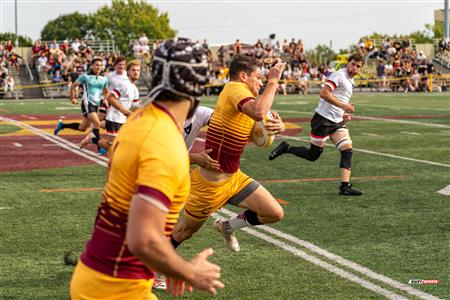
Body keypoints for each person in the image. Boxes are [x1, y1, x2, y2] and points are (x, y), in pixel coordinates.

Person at [70, 38, 224, 299]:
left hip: (100, 276)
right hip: (117, 288)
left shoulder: (139, 120)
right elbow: (143, 239)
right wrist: (189, 272)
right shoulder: (163, 141)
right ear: (197, 86)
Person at [169, 55, 286, 254]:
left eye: (263, 78)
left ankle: (227, 226)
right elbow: (259, 112)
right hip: (209, 186)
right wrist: (274, 80)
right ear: (243, 76)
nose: (261, 81)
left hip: (233, 178)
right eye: (258, 77)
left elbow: (255, 136)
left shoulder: (245, 103)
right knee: (183, 232)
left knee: (274, 212)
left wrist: (276, 127)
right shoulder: (234, 88)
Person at [269, 53, 364, 196]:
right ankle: (286, 147)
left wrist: (342, 114)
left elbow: (337, 99)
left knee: (347, 150)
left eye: (358, 66)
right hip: (323, 120)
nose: (354, 68)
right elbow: (324, 94)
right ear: (347, 63)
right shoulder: (339, 75)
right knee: (313, 155)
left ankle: (345, 186)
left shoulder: (351, 80)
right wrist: (344, 106)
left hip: (337, 121)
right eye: (353, 64)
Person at [54, 58, 109, 154]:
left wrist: (106, 100)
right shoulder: (85, 77)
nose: (99, 67)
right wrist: (73, 98)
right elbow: (73, 86)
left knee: (82, 128)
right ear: (92, 65)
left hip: (96, 105)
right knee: (97, 123)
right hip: (87, 104)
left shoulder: (104, 79)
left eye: (100, 65)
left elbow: (105, 92)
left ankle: (62, 125)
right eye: (97, 65)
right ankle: (100, 147)